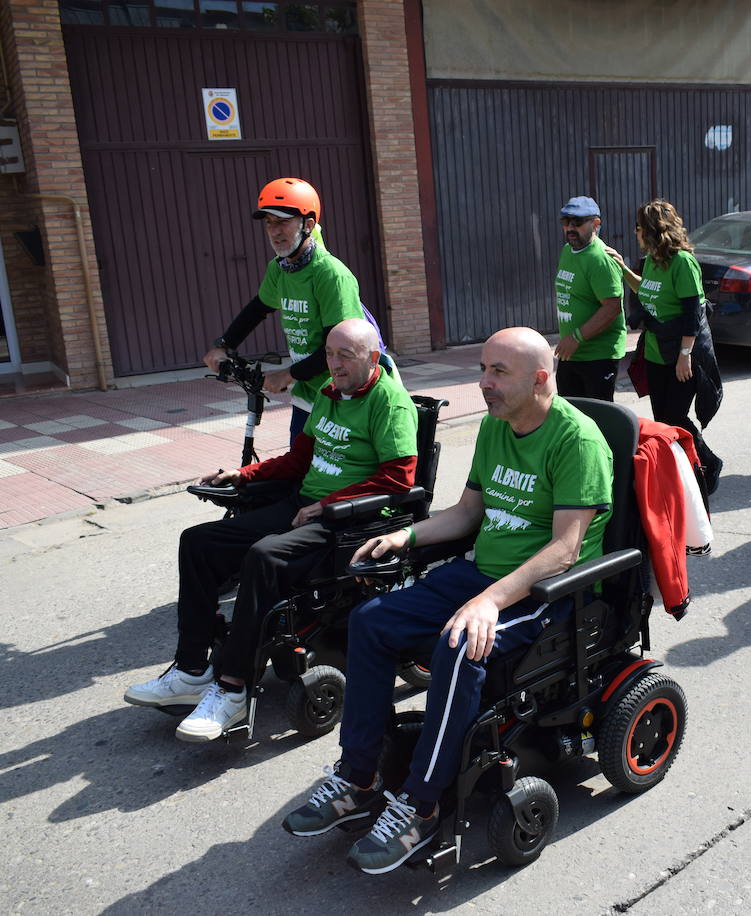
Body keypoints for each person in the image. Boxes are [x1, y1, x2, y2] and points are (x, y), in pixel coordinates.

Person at [279, 327, 612, 876]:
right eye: (483, 369)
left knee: (458, 643)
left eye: (498, 373)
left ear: (540, 379)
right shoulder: (495, 426)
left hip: (548, 594)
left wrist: (489, 601)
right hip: (480, 572)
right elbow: (466, 514)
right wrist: (406, 537)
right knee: (371, 622)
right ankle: (358, 777)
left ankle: (421, 805)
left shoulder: (576, 441)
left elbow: (565, 549)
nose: (484, 383)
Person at [125, 319, 418, 740]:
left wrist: (327, 505)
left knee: (264, 555)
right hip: (307, 506)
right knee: (199, 542)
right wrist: (243, 474)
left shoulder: (389, 404)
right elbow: (298, 460)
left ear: (373, 358)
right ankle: (191, 669)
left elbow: (398, 478)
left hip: (355, 521)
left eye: (345, 356)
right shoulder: (329, 394)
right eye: (330, 354)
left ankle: (232, 688)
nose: (333, 364)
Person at [200, 177, 379, 443]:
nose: (274, 231)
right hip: (307, 393)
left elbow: (341, 350)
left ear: (307, 224)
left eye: (283, 222)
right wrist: (224, 344)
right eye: (269, 223)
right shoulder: (279, 268)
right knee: (296, 471)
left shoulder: (330, 275)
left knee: (327, 476)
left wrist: (287, 374)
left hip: (341, 395)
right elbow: (258, 308)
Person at [609, 199, 724, 489]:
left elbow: (692, 314)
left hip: (681, 355)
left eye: (638, 228)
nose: (635, 233)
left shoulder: (682, 262)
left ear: (652, 230)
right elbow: (646, 290)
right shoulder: (650, 262)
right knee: (663, 419)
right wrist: (623, 268)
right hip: (656, 353)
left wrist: (685, 354)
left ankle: (709, 463)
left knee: (675, 415)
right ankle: (679, 469)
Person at [553, 196, 626, 401]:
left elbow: (612, 307)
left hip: (597, 356)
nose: (570, 228)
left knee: (598, 421)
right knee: (571, 418)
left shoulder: (600, 259)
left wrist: (576, 337)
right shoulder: (568, 251)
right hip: (572, 353)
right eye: (565, 222)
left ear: (595, 224)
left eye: (577, 222)